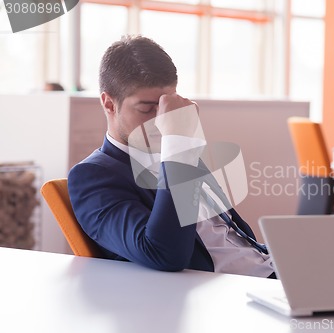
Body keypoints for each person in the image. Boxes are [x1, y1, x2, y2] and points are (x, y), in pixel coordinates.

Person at [68, 35, 274, 278]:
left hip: (272, 272)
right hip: (230, 293)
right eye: (147, 108)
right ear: (109, 104)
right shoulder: (93, 177)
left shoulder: (178, 154)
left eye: (167, 104)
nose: (162, 119)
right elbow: (165, 254)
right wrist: (179, 142)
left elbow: (230, 237)